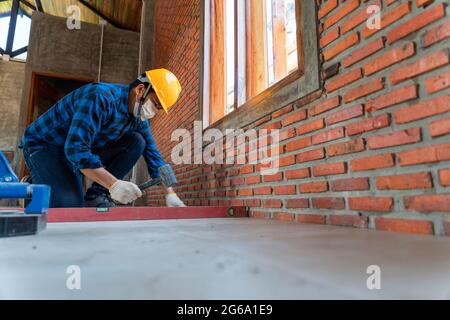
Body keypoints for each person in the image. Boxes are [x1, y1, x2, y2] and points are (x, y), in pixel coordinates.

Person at [19, 69, 186, 208]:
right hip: (46, 147)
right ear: (141, 90)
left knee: (137, 141)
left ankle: (96, 196)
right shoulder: (100, 97)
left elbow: (154, 156)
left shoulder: (138, 120)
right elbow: (75, 149)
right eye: (155, 105)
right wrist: (114, 184)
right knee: (69, 207)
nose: (154, 112)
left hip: (79, 149)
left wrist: (170, 194)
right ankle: (31, 185)